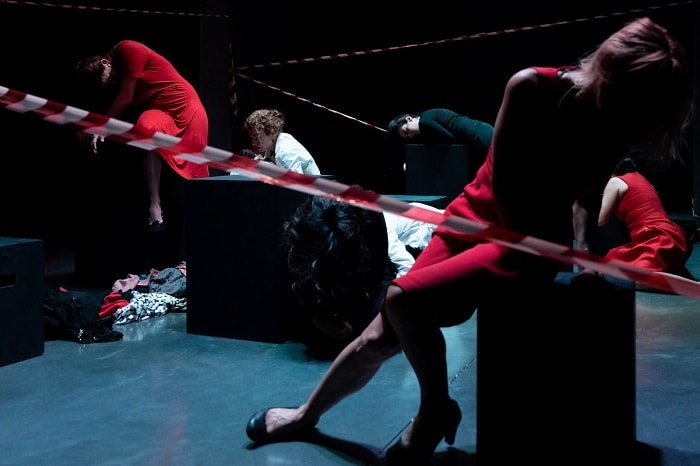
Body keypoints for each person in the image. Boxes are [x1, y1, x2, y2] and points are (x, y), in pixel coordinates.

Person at [245, 17, 693, 465]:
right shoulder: (531, 87)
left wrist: (584, 262)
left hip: (532, 240)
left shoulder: (614, 123)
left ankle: (433, 412)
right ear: (614, 73)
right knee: (383, 331)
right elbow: (507, 192)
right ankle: (306, 415)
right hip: (481, 219)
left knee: (402, 301)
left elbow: (587, 198)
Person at [75, 40, 210, 234]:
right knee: (145, 127)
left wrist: (100, 127)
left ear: (105, 62)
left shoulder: (128, 49)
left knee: (193, 172)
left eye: (108, 78)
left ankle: (202, 222)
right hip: (162, 112)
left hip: (184, 108)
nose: (111, 82)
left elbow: (125, 98)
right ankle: (155, 206)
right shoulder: (118, 73)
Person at [282, 196, 440, 358]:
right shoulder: (312, 229)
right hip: (395, 239)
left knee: (384, 315)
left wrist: (382, 314)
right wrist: (318, 316)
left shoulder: (382, 232)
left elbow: (407, 270)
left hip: (433, 231)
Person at [599, 157, 695, 286]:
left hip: (656, 238)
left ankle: (692, 286)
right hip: (675, 236)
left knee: (632, 277)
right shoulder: (641, 178)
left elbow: (600, 220)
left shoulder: (615, 182)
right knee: (613, 258)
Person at [385, 108, 494, 184]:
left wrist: (413, 164)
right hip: (484, 131)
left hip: (478, 138)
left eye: (407, 131)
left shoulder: (424, 122)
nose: (410, 136)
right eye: (406, 136)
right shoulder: (428, 115)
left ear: (409, 119)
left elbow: (451, 142)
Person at [243, 108, 321, 175]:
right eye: (252, 138)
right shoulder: (273, 144)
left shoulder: (286, 152)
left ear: (272, 133)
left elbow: (294, 185)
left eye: (257, 137)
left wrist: (273, 169)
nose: (253, 143)